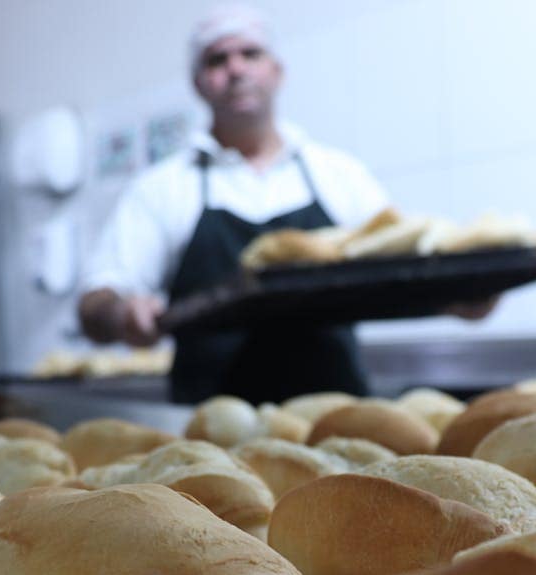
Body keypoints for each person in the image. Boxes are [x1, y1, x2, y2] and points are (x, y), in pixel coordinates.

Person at [80, 4, 495, 404]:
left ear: (277, 71)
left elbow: (401, 264)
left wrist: (464, 293)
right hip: (210, 430)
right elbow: (95, 304)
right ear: (198, 83)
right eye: (217, 59)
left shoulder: (337, 174)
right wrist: (121, 314)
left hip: (335, 418)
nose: (236, 68)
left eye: (251, 53)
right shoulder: (163, 188)